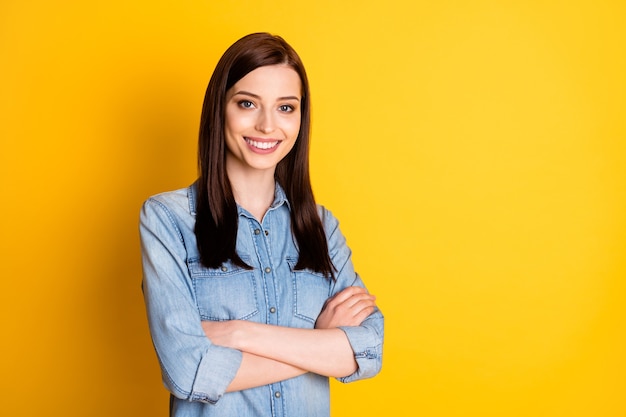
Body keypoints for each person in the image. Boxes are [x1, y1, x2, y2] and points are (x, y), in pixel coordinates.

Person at [140, 32, 384, 417]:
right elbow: (188, 371)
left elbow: (369, 348)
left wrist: (241, 334)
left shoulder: (321, 227)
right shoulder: (168, 219)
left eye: (286, 108)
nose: (268, 125)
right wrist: (321, 345)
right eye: (248, 103)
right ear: (220, 109)